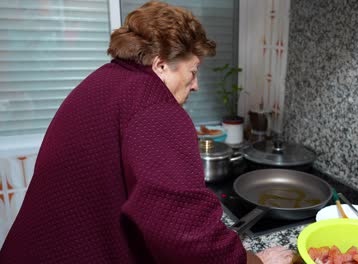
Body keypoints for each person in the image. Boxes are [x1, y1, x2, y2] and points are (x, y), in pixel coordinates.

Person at [0, 1, 295, 263]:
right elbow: (186, 231)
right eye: (193, 72)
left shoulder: (106, 80)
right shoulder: (154, 106)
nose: (196, 85)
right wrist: (254, 261)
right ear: (161, 65)